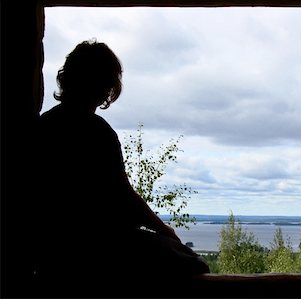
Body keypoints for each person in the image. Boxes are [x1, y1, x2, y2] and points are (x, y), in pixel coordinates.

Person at [33, 39, 209, 296]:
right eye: (109, 81)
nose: (110, 90)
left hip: (52, 253)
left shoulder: (43, 127)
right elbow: (124, 196)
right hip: (99, 248)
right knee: (193, 264)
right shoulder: (97, 132)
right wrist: (165, 229)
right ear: (103, 84)